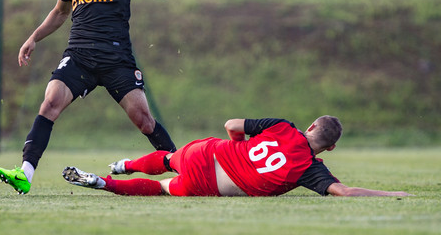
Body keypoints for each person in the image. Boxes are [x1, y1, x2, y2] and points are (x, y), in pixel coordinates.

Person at [0, 0, 176, 194]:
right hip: (79, 55)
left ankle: (184, 167)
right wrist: (33, 37)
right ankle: (25, 173)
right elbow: (59, 13)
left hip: (116, 58)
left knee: (144, 121)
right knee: (50, 102)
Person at [62, 116, 413, 197]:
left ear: (309, 127)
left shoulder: (284, 127)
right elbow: (346, 192)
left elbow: (232, 124)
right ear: (331, 147)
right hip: (212, 182)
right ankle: (103, 182)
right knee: (163, 189)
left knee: (169, 158)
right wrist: (395, 194)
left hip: (209, 151)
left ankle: (124, 165)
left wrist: (238, 142)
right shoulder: (308, 169)